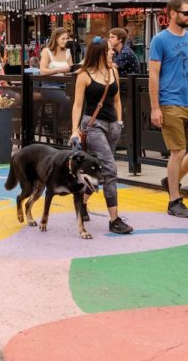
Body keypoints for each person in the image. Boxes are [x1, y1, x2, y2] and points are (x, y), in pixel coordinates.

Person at [149, 0, 188, 219]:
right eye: (186, 13)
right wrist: (155, 107)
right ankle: (174, 200)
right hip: (170, 102)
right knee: (178, 151)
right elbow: (154, 74)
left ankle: (171, 181)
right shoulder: (160, 40)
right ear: (173, 14)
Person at [70, 37, 133, 235]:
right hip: (93, 126)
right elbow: (78, 104)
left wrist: (120, 122)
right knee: (110, 168)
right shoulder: (84, 75)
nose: (112, 52)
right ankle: (114, 219)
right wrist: (74, 130)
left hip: (112, 125)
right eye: (109, 50)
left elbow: (116, 99)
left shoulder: (113, 70)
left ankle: (82, 204)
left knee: (99, 170)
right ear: (99, 53)